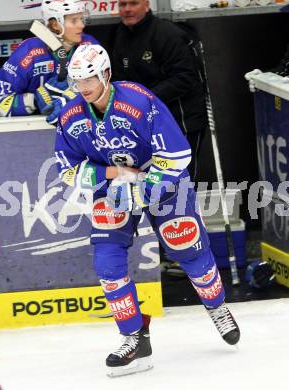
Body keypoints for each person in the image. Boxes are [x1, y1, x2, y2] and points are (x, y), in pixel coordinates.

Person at [55, 44, 240, 377]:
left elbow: (178, 154)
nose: (83, 88)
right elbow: (67, 170)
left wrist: (142, 187)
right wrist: (115, 176)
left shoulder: (138, 101)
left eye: (89, 80)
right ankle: (134, 337)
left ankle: (217, 306)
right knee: (107, 260)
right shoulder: (71, 117)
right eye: (77, 81)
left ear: (106, 74)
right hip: (113, 186)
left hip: (161, 178)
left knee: (186, 247)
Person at [111, 0, 207, 181]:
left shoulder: (167, 34)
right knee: (152, 185)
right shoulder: (120, 35)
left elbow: (185, 77)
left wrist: (144, 99)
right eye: (123, 4)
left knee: (180, 184)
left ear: (147, 5)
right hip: (145, 125)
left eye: (133, 3)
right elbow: (118, 80)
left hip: (181, 121)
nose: (128, 9)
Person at [0, 0, 99, 125]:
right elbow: (2, 104)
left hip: (78, 127)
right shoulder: (28, 52)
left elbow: (105, 89)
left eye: (82, 19)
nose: (81, 25)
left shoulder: (90, 46)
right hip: (29, 132)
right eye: (74, 21)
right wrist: (34, 101)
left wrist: (77, 96)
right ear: (55, 25)